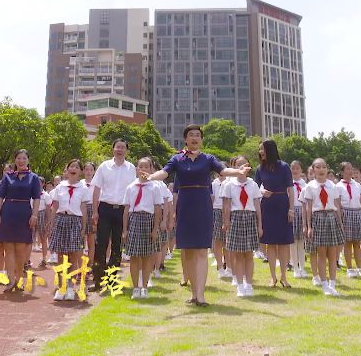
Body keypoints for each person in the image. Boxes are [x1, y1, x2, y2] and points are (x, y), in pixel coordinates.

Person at [146, 124, 249, 307]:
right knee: (188, 252)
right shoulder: (177, 158)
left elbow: (223, 171)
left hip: (202, 204)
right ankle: (194, 294)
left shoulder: (208, 159)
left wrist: (238, 172)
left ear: (201, 139)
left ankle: (200, 296)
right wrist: (150, 177)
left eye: (198, 135)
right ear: (185, 139)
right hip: (185, 205)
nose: (195, 138)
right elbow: (164, 172)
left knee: (201, 251)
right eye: (191, 135)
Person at [0, 149, 42, 292]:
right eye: (18, 158)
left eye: (24, 158)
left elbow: (37, 198)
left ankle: (19, 280)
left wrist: (34, 215)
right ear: (15, 160)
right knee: (8, 248)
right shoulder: (7, 177)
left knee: (20, 250)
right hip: (8, 212)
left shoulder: (33, 178)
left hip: (24, 213)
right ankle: (10, 280)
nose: (21, 161)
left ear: (28, 160)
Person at [90, 139, 137, 291]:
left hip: (122, 210)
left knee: (117, 246)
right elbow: (96, 189)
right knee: (100, 245)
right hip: (105, 208)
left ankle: (112, 280)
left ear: (126, 151)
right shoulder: (104, 166)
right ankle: (97, 280)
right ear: (113, 149)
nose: (120, 150)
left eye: (123, 147)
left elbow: (133, 191)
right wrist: (95, 211)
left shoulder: (131, 168)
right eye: (117, 147)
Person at [301, 158, 346, 297]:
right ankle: (325, 284)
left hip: (331, 218)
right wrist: (308, 226)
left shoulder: (333, 186)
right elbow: (307, 208)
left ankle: (333, 284)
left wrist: (340, 223)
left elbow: (337, 206)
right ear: (313, 170)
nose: (321, 170)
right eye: (318, 167)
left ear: (327, 169)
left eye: (324, 167)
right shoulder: (309, 187)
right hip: (318, 219)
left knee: (332, 255)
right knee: (321, 254)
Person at [255, 139, 294, 288]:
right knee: (270, 244)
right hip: (267, 207)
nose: (260, 152)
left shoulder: (284, 167)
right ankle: (273, 277)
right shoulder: (260, 169)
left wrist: (291, 209)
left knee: (283, 244)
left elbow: (291, 189)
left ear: (270, 150)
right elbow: (254, 188)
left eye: (262, 149)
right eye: (259, 149)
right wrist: (262, 191)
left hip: (283, 204)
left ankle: (284, 277)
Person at [221, 156, 262, 297]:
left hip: (250, 217)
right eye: (238, 165)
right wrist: (226, 222)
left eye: (244, 164)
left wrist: (260, 225)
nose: (242, 167)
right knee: (238, 255)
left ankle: (248, 284)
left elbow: (257, 205)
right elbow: (226, 205)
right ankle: (239, 285)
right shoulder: (229, 184)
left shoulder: (253, 184)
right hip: (235, 218)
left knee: (249, 254)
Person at [123, 157, 163, 299]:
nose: (144, 169)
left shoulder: (155, 187)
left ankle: (144, 287)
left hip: (149, 220)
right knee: (134, 256)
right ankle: (135, 287)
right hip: (134, 220)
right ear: (137, 169)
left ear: (151, 169)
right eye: (141, 166)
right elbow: (126, 209)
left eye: (147, 167)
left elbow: (158, 208)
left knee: (147, 256)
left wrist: (155, 228)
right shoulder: (130, 187)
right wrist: (125, 229)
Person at [50, 160, 87, 301]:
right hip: (61, 220)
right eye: (71, 166)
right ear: (66, 170)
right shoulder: (60, 187)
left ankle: (71, 288)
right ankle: (61, 287)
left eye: (77, 167)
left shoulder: (83, 188)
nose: (74, 169)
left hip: (75, 221)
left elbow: (83, 208)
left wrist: (83, 227)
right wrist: (52, 224)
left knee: (73, 256)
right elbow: (55, 206)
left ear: (80, 171)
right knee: (61, 256)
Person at [336, 162, 361, 280]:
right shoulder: (338, 186)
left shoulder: (357, 185)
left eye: (351, 169)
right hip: (346, 213)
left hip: (357, 212)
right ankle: (349, 268)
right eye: (347, 169)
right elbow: (337, 203)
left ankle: (359, 267)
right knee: (347, 243)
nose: (350, 171)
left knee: (357, 243)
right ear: (342, 172)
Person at [289, 160, 308, 279]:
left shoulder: (305, 185)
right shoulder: (287, 183)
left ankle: (302, 267)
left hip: (302, 212)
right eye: (293, 168)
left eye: (297, 168)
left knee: (301, 242)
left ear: (301, 170)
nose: (295, 170)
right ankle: (295, 267)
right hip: (291, 212)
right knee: (293, 242)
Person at [211, 172, 230, 279]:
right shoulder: (213, 184)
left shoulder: (229, 183)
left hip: (227, 211)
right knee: (217, 240)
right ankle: (219, 265)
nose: (221, 176)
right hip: (216, 211)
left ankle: (228, 264)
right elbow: (211, 198)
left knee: (227, 241)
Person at [82, 162, 97, 272]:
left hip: (92, 209)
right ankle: (81, 264)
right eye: (86, 169)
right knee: (80, 239)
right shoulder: (80, 183)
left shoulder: (97, 184)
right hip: (81, 209)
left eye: (91, 170)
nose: (88, 172)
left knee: (91, 239)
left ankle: (90, 264)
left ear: (94, 171)